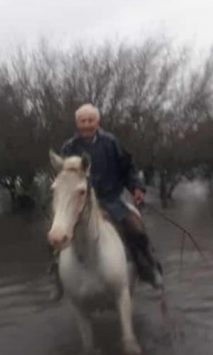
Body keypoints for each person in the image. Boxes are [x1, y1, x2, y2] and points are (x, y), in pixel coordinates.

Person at [49, 103, 163, 301]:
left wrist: (136, 188)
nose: (86, 125)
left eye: (90, 120)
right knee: (55, 234)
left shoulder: (111, 142)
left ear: (97, 122)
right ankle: (57, 280)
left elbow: (127, 168)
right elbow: (63, 179)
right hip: (79, 204)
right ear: (77, 123)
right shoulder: (69, 147)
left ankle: (149, 269)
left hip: (110, 200)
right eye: (82, 121)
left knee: (135, 229)